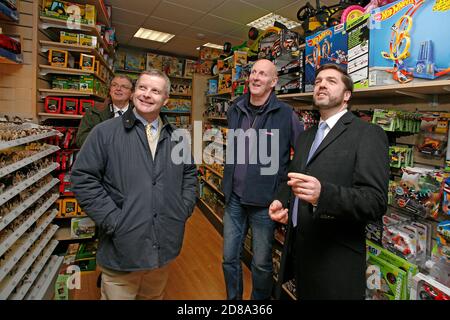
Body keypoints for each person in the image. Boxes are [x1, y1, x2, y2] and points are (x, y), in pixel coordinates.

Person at [71, 69, 197, 300]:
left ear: (165, 99)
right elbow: (82, 178)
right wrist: (114, 221)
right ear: (133, 93)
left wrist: (182, 208)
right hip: (122, 249)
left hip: (162, 246)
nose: (147, 95)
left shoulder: (177, 137)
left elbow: (189, 174)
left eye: (155, 91)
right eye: (142, 88)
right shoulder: (105, 132)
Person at [269, 64, 389, 300]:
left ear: (347, 95)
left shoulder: (367, 134)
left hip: (336, 260)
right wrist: (282, 202)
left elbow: (375, 202)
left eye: (331, 81)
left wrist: (324, 195)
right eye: (318, 81)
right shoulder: (306, 136)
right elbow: (292, 178)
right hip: (301, 252)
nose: (322, 84)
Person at [222, 59, 303, 300]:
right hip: (234, 199)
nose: (256, 77)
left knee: (260, 264)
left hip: (265, 203)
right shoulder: (235, 108)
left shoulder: (286, 114)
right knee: (229, 259)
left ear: (273, 81)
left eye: (263, 74)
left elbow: (300, 155)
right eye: (254, 72)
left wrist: (282, 191)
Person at [75, 75, 134, 148]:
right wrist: (105, 136)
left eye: (124, 86)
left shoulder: (140, 114)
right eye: (114, 85)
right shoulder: (93, 112)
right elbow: (80, 140)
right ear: (110, 90)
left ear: (132, 93)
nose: (118, 88)